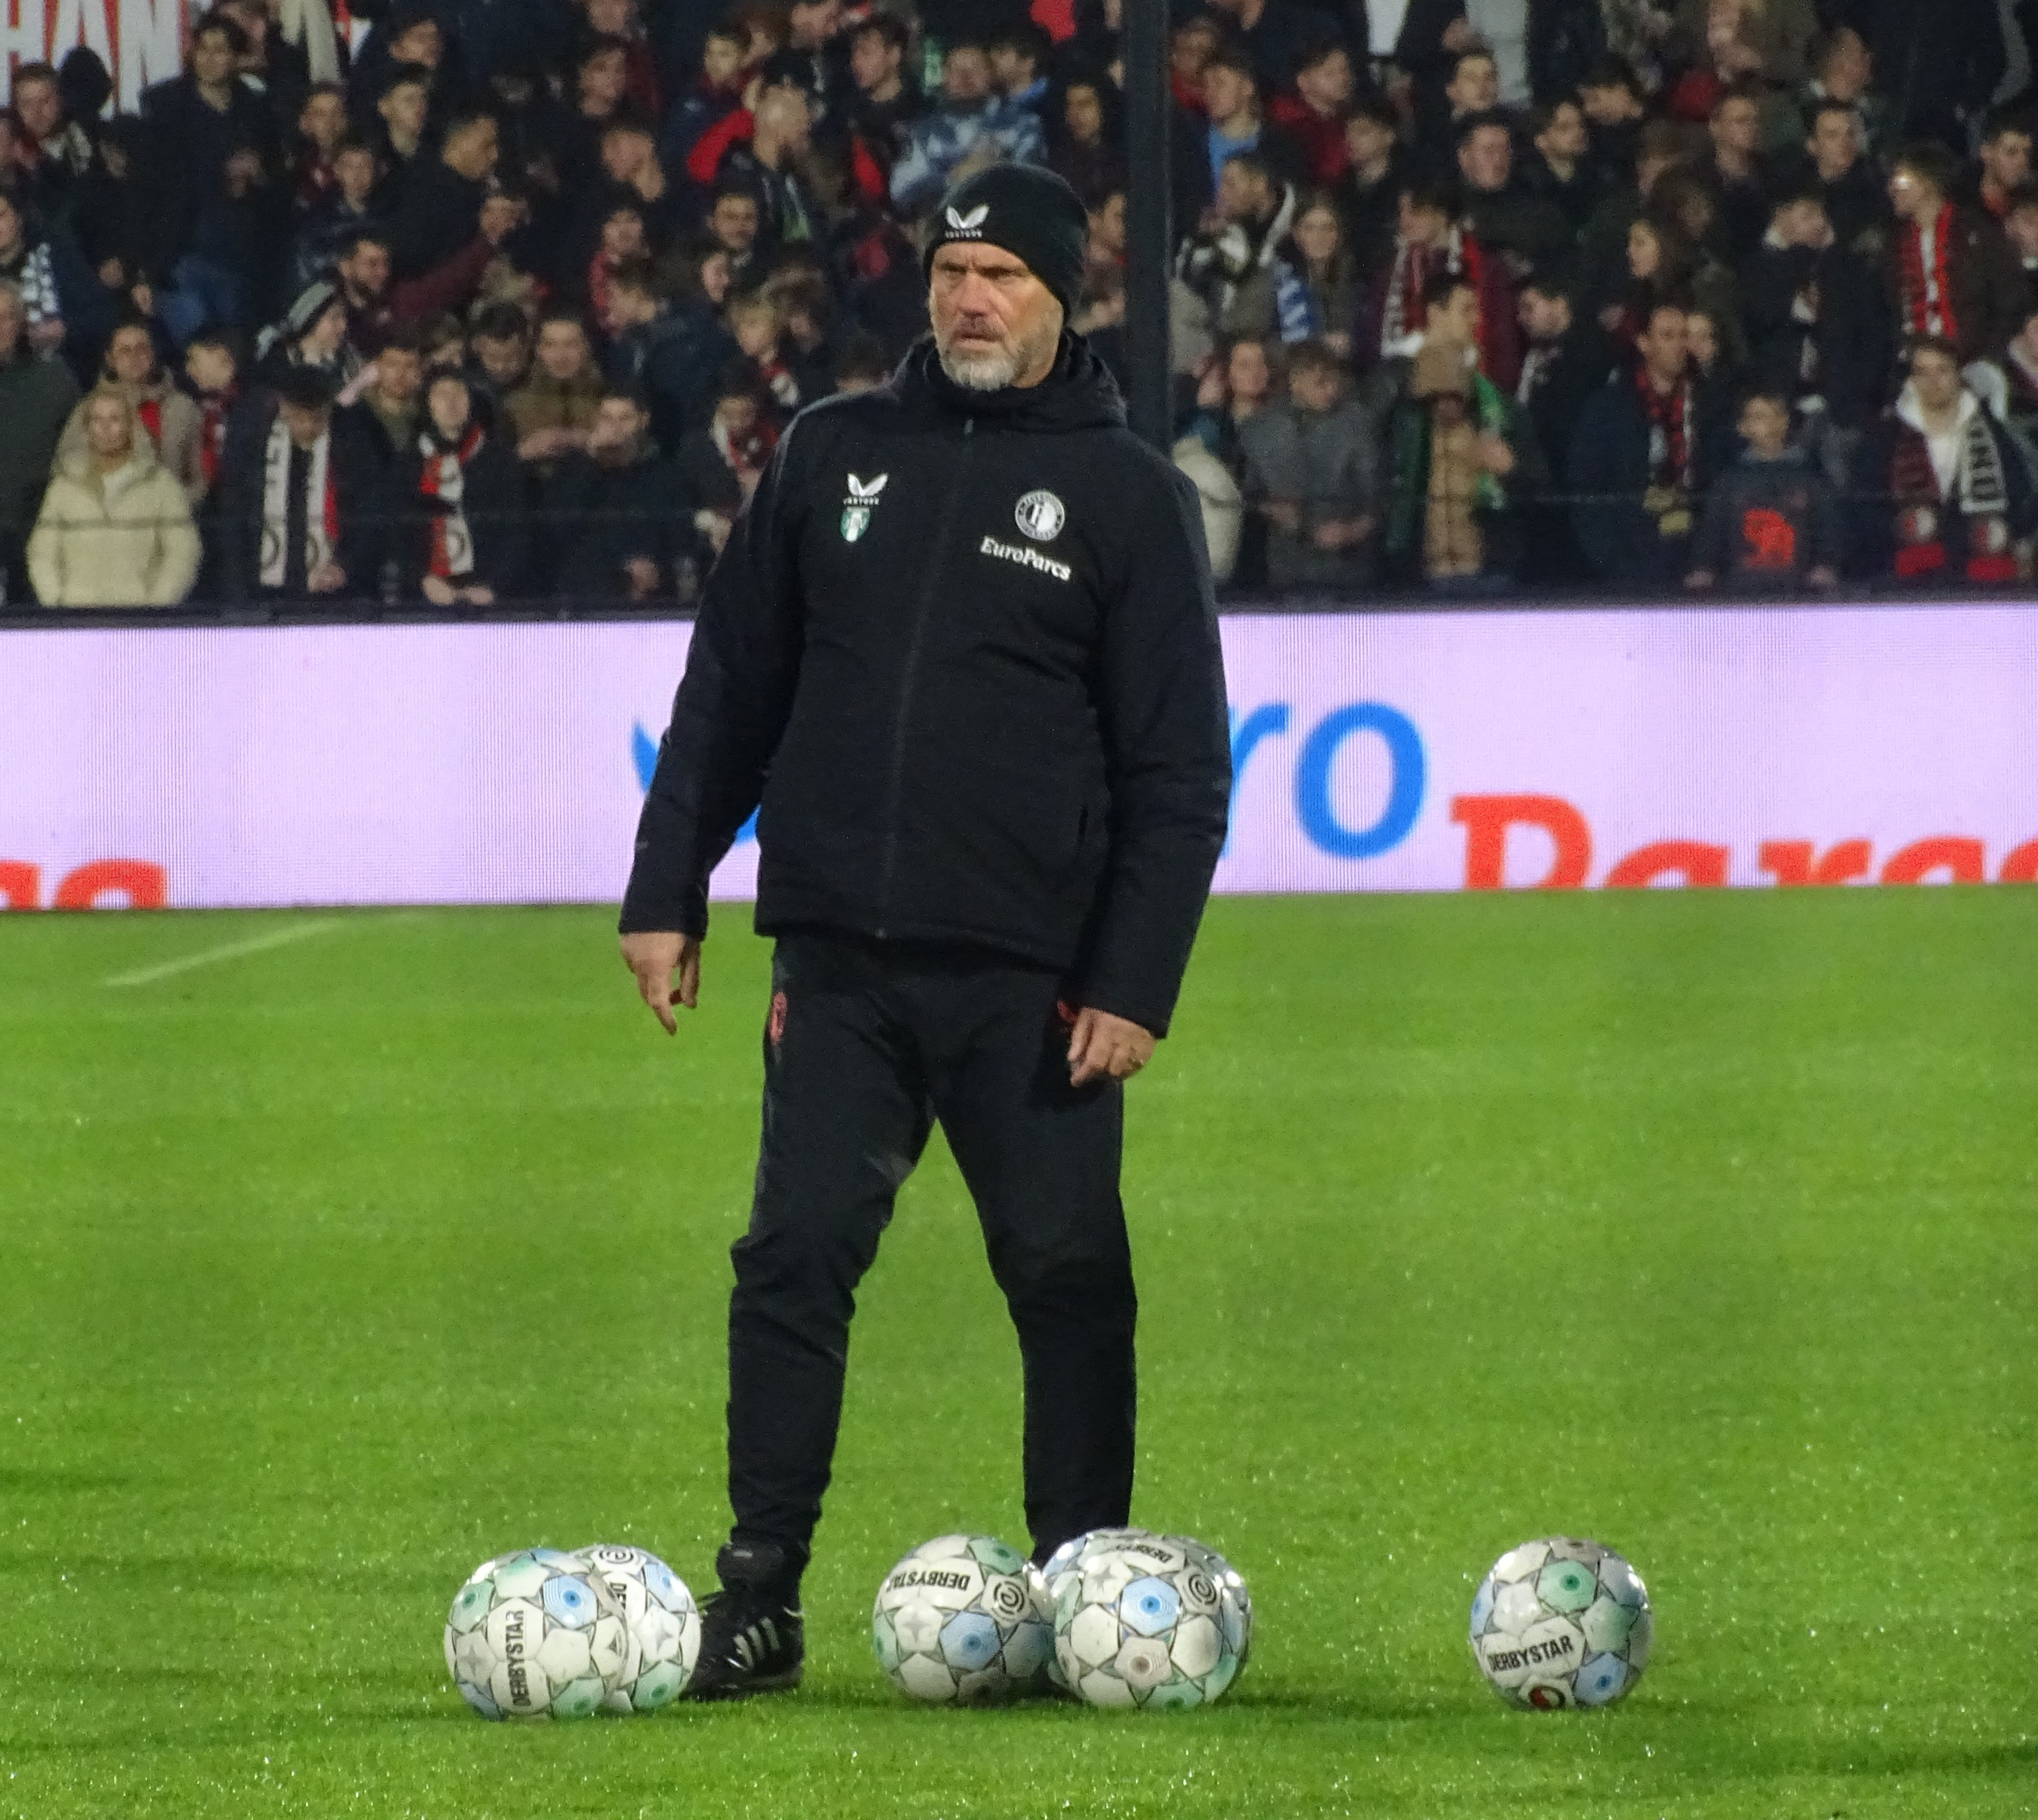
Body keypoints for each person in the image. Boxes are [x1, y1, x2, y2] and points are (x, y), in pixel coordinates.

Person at [617, 162, 1229, 1697]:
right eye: (954, 268)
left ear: (1062, 295)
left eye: (1004, 273)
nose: (970, 296)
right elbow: (731, 686)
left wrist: (1133, 977)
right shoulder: (834, 449)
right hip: (836, 965)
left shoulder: (1127, 494)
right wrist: (667, 885)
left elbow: (1178, 773)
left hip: (1034, 986)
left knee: (1069, 1273)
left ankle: (1089, 1585)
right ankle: (758, 1592)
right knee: (792, 1258)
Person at [1848, 337, 2036, 586]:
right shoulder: (1887, 436)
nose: (1933, 382)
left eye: (1942, 370)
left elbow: (2022, 497)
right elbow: (1864, 505)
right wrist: (1902, 529)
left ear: (1959, 375)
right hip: (1906, 572)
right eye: (1922, 372)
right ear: (1912, 379)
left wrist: (2000, 533)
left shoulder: (1991, 432)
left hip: (1979, 570)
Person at [1570, 300, 1723, 587]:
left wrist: (1710, 559)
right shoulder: (1609, 409)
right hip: (1630, 561)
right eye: (1668, 336)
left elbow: (1721, 481)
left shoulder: (1708, 404)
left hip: (1697, 558)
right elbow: (1587, 490)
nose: (1679, 345)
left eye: (1683, 336)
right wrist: (1612, 562)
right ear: (1644, 343)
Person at [218, 366, 384, 602]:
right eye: (298, 417)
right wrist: (239, 589)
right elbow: (235, 514)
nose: (307, 426)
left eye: (316, 418)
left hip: (331, 590)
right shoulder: (253, 438)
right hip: (262, 588)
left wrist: (345, 565)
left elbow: (369, 511)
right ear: (283, 406)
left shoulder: (352, 439)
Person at [28, 385, 202, 608]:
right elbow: (42, 554)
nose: (106, 428)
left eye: (115, 419)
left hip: (139, 621)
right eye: (97, 420)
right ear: (86, 428)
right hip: (76, 619)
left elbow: (182, 553)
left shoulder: (161, 486)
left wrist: (156, 608)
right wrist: (57, 604)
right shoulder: (63, 488)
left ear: (130, 425)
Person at [1239, 335, 1383, 589]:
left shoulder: (1358, 426)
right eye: (1321, 383)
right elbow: (1252, 493)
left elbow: (1379, 501)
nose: (1332, 390)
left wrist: (1350, 531)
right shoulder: (1262, 430)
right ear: (1296, 382)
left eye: (1334, 381)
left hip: (1347, 574)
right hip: (1286, 570)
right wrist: (1274, 510)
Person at [1886, 142, 2029, 372]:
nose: (1893, 188)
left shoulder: (1978, 234)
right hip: (1914, 368)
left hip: (1973, 364)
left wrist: (1987, 357)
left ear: (1927, 184)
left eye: (1902, 180)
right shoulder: (1894, 245)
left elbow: (2010, 302)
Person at [1685, 387, 1843, 592]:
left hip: (1798, 593)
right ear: (1743, 427)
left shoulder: (1811, 476)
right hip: (1740, 593)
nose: (1770, 424)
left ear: (1786, 421)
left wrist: (1826, 566)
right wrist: (1704, 568)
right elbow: (1711, 533)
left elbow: (1830, 529)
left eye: (1776, 415)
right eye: (1760, 417)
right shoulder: (1729, 480)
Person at [403, 371, 529, 604]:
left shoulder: (500, 461)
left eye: (459, 395)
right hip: (425, 594)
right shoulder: (408, 464)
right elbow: (398, 532)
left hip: (489, 594)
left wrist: (493, 586)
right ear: (428, 405)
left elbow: (516, 531)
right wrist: (422, 579)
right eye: (441, 395)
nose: (451, 403)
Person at [55, 320, 208, 508]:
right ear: (111, 359)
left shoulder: (183, 408)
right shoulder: (89, 410)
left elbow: (200, 478)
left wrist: (173, 504)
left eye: (142, 349)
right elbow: (66, 469)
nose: (135, 357)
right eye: (125, 351)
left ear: (153, 354)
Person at [0, 280, 81, 597]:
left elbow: (78, 455)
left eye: (7, 317)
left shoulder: (54, 382)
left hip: (37, 534)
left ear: (21, 324)